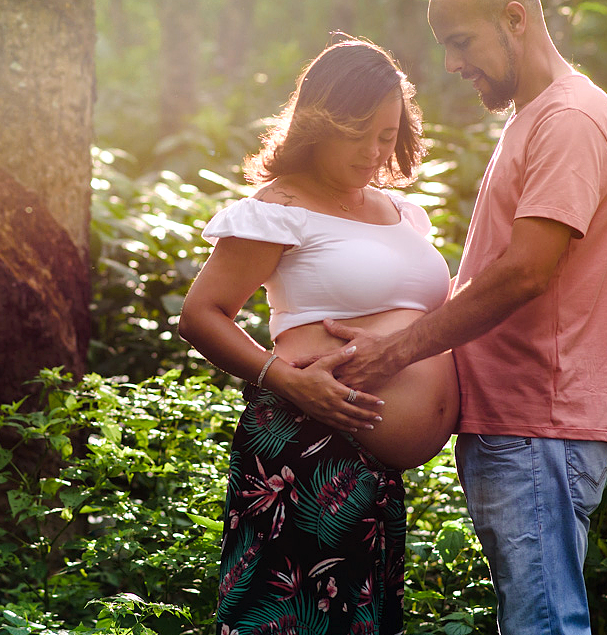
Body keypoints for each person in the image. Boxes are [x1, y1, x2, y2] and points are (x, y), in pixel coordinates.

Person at [301, 0, 607, 635]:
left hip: (536, 425)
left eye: (461, 42)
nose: (453, 65)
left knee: (543, 624)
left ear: (514, 19)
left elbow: (525, 271)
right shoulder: (536, 117)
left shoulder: (568, 121)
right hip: (520, 427)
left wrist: (395, 353)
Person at [179, 35, 460, 635]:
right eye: (357, 134)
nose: (373, 151)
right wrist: (286, 381)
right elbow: (201, 314)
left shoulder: (403, 213)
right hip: (305, 449)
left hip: (375, 474)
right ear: (318, 124)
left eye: (387, 136)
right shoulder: (279, 208)